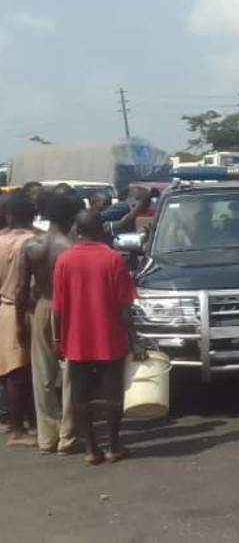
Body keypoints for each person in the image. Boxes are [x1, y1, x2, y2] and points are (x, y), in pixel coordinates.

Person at [53, 210, 145, 465]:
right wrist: (135, 339)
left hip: (75, 338)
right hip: (110, 337)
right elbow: (124, 307)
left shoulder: (64, 260)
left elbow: (58, 308)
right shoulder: (113, 259)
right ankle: (114, 446)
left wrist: (58, 340)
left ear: (77, 230)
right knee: (112, 393)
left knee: (80, 395)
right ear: (101, 229)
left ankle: (91, 449)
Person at [19, 193, 81, 455]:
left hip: (41, 307)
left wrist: (20, 322)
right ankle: (67, 437)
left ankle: (47, 437)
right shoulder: (72, 248)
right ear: (71, 218)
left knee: (42, 377)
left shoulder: (31, 245)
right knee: (70, 376)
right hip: (68, 310)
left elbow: (22, 289)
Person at [0, 195, 39, 446]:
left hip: (4, 308)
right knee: (22, 373)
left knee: (10, 371)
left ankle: (19, 422)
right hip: (25, 310)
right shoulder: (33, 242)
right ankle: (18, 429)